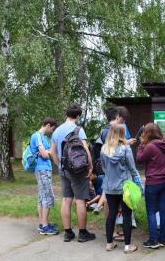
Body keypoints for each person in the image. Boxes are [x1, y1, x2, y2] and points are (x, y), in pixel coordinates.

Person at [50, 103, 96, 243]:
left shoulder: (57, 130)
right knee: (80, 200)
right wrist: (90, 166)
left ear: (67, 114)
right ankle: (82, 233)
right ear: (78, 116)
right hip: (78, 170)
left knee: (66, 199)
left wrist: (60, 166)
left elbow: (52, 152)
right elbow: (86, 149)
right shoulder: (78, 129)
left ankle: (68, 233)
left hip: (64, 170)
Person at [100, 124, 142, 254]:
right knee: (127, 215)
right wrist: (139, 185)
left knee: (111, 213)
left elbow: (103, 168)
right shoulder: (126, 149)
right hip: (124, 187)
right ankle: (127, 246)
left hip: (109, 186)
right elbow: (133, 169)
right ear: (122, 134)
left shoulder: (104, 149)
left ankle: (109, 244)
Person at [136, 123, 165, 249]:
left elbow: (139, 159)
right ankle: (162, 239)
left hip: (153, 182)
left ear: (148, 133)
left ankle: (153, 240)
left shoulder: (150, 146)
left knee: (151, 212)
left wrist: (141, 145)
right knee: (163, 210)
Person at [30, 117, 59, 235]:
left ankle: (42, 223)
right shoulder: (37, 136)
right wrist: (49, 152)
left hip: (45, 169)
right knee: (47, 196)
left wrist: (48, 152)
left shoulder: (44, 138)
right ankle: (45, 227)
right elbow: (45, 154)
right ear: (47, 125)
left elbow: (47, 152)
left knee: (42, 197)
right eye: (52, 128)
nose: (52, 131)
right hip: (42, 169)